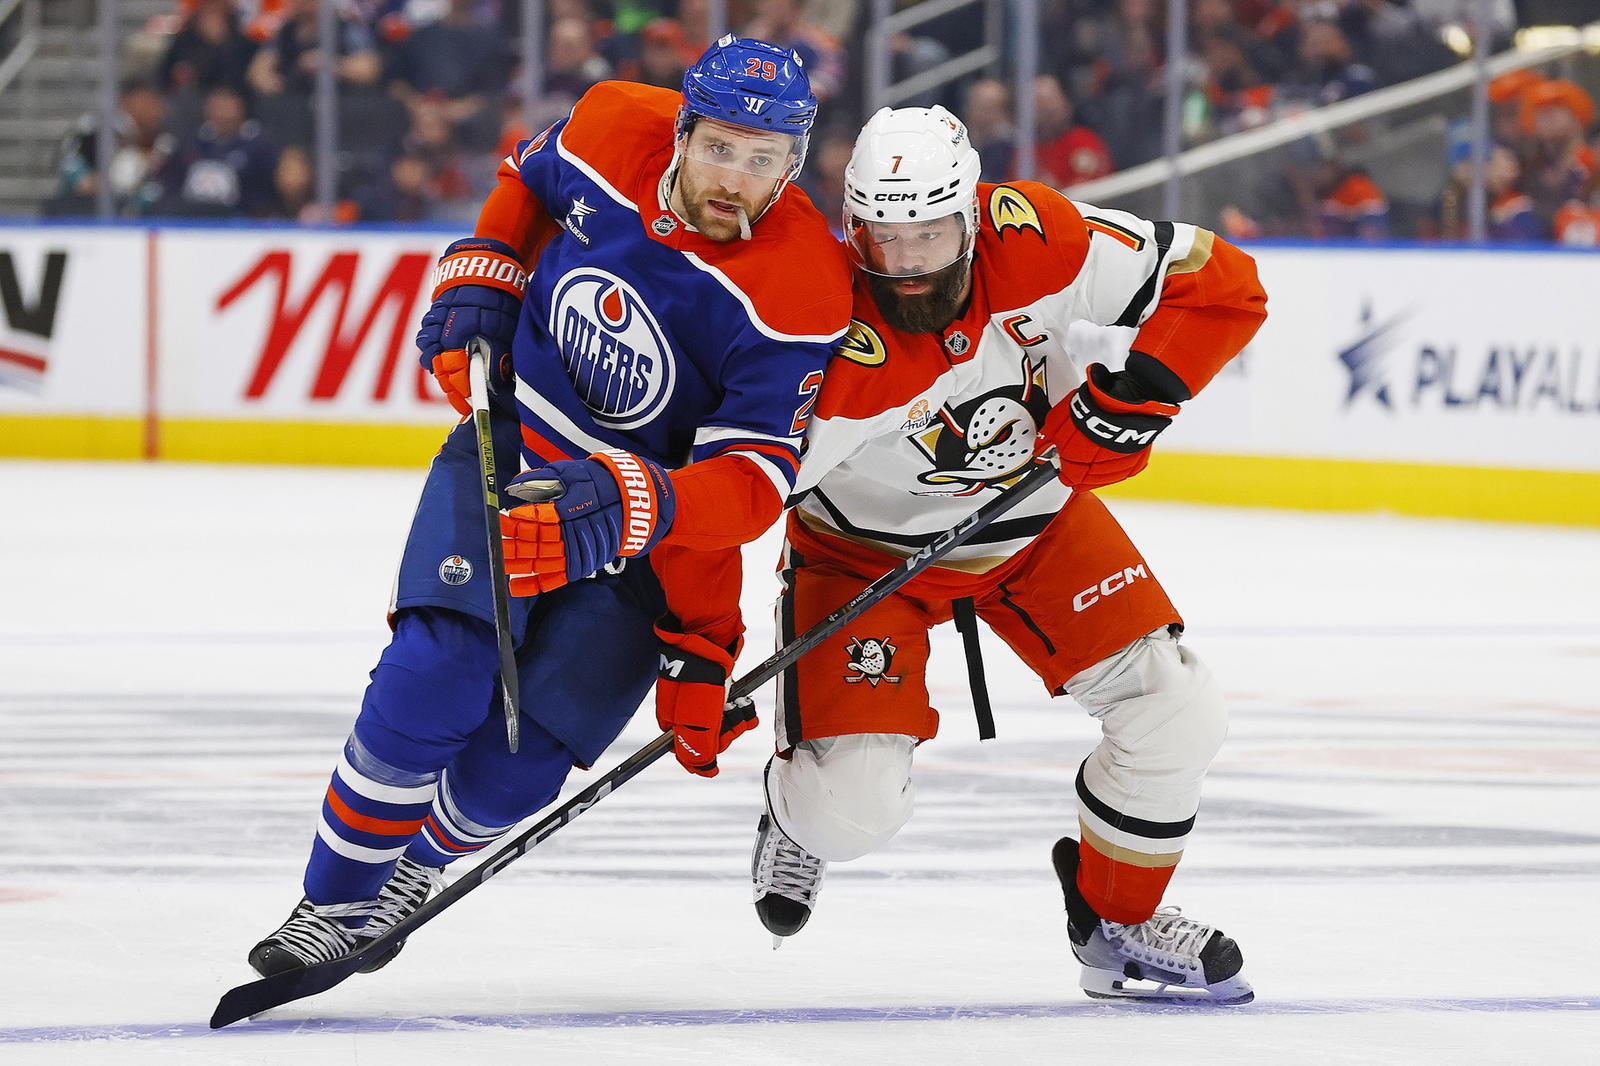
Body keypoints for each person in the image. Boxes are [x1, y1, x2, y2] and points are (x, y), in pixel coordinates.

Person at [244, 35, 852, 977]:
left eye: (764, 159)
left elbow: (753, 482)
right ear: (682, 131)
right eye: (721, 147)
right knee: (435, 670)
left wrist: (653, 529)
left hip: (636, 537)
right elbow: (528, 185)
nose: (736, 178)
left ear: (794, 163)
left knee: (524, 760)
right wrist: (487, 262)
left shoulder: (803, 287)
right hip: (511, 448)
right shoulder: (613, 123)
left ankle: (414, 871)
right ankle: (330, 903)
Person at [747, 105, 1267, 1004]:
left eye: (930, 233)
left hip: (1033, 525)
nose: (905, 264)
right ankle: (800, 810)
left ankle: (1119, 922)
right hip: (861, 558)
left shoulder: (1042, 237)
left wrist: (1143, 389)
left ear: (973, 212)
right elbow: (735, 495)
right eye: (881, 237)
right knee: (850, 814)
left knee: (1178, 710)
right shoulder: (816, 316)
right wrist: (694, 637)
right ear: (849, 223)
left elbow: (1224, 284)